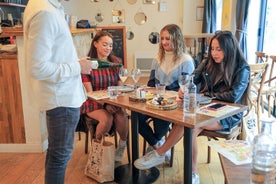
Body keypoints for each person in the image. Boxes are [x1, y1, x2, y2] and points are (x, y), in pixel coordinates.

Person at [134, 30, 251, 184]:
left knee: (192, 125)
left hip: (228, 114)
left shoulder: (242, 68)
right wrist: (186, 87)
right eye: (212, 49)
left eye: (219, 49)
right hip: (207, 108)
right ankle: (172, 159)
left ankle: (165, 155)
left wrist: (205, 97)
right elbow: (192, 77)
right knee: (187, 122)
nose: (214, 53)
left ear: (229, 49)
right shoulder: (208, 62)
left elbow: (233, 95)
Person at [24, 0, 93, 183]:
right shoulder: (45, 12)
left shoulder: (47, 7)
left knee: (57, 154)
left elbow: (53, 56)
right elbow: (37, 68)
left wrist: (74, 61)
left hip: (61, 96)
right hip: (61, 98)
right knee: (60, 157)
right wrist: (77, 67)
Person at [138, 24, 194, 161]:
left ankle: (158, 147)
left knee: (160, 123)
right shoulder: (157, 58)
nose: (163, 42)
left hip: (175, 104)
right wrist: (146, 90)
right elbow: (151, 83)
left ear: (177, 39)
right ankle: (158, 145)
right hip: (157, 101)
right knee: (136, 117)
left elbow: (187, 88)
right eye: (162, 38)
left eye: (168, 38)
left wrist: (168, 95)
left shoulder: (186, 60)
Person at [80, 30, 129, 162]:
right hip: (93, 102)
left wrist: (114, 102)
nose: (108, 48)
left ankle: (122, 146)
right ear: (95, 44)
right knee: (106, 119)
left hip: (113, 100)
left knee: (122, 117)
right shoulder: (87, 64)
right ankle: (97, 149)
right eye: (105, 44)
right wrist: (105, 104)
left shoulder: (116, 62)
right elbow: (89, 92)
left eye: (111, 45)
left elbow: (120, 86)